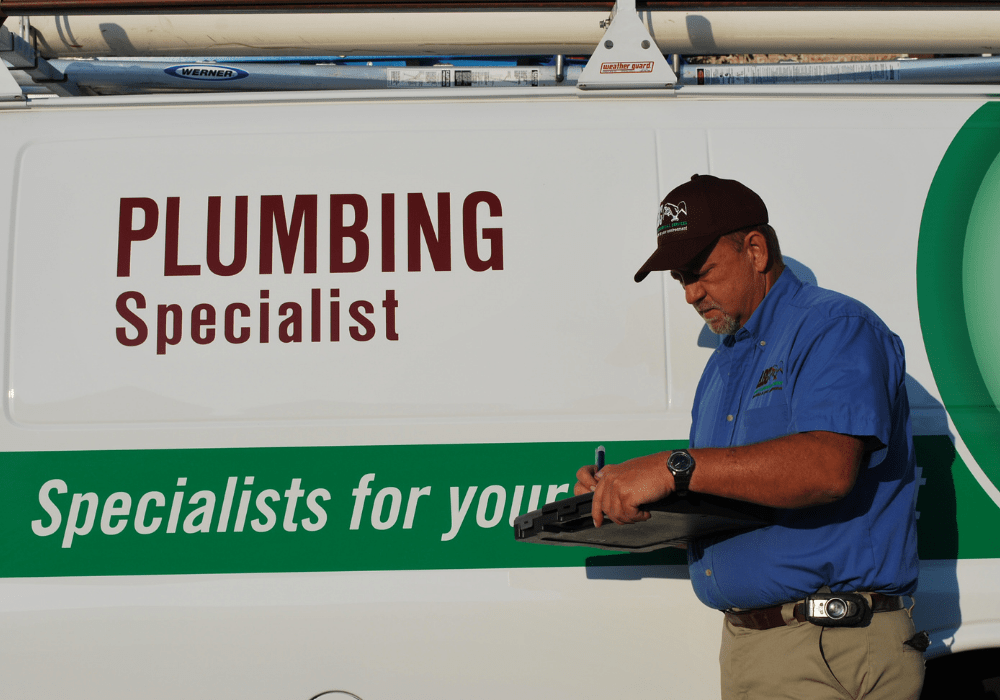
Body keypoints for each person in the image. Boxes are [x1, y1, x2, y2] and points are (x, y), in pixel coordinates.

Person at [575, 174, 925, 700]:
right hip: (753, 646)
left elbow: (827, 468)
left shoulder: (835, 327)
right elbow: (728, 489)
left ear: (755, 250)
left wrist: (674, 468)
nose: (691, 293)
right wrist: (625, 491)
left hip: (830, 646)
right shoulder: (722, 367)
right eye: (681, 280)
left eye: (700, 272)